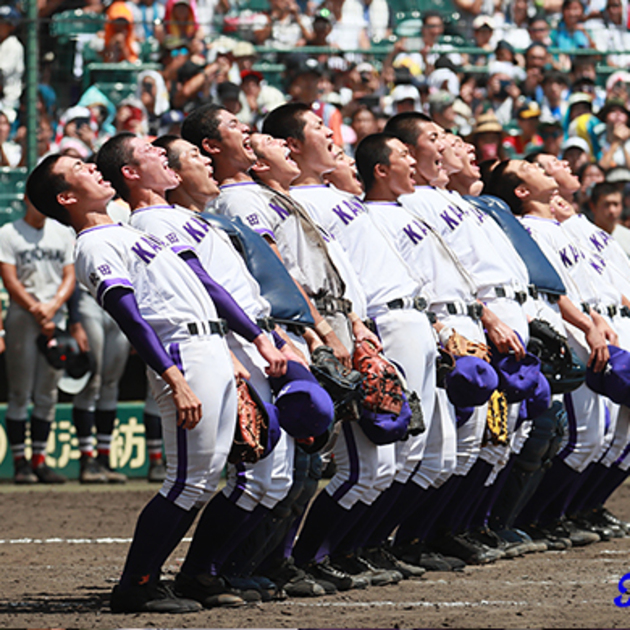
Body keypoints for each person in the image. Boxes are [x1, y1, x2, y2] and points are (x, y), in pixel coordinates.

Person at [26, 146, 284, 612]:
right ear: (65, 198)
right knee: (188, 480)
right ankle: (136, 585)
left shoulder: (120, 232)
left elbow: (192, 291)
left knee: (204, 480)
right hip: (182, 354)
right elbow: (131, 318)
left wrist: (234, 347)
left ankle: (192, 578)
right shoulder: (93, 244)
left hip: (207, 347)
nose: (91, 169)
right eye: (79, 170)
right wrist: (175, 378)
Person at [0, 198, 74, 485]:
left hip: (55, 316)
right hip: (23, 315)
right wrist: (37, 309)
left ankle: (39, 461)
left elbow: (69, 275)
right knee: (20, 391)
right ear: (28, 200)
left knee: (47, 393)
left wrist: (53, 308)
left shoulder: (61, 231)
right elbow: (10, 280)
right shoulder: (9, 232)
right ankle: (20, 463)